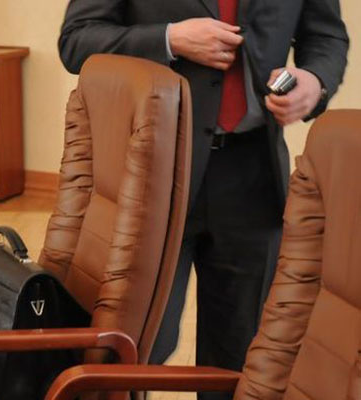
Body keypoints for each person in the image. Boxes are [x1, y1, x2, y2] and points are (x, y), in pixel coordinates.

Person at [58, 1, 348, 399]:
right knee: (129, 350)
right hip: (148, 174)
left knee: (240, 357)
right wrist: (169, 39)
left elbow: (326, 36)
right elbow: (76, 41)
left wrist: (315, 81)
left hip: (254, 179)